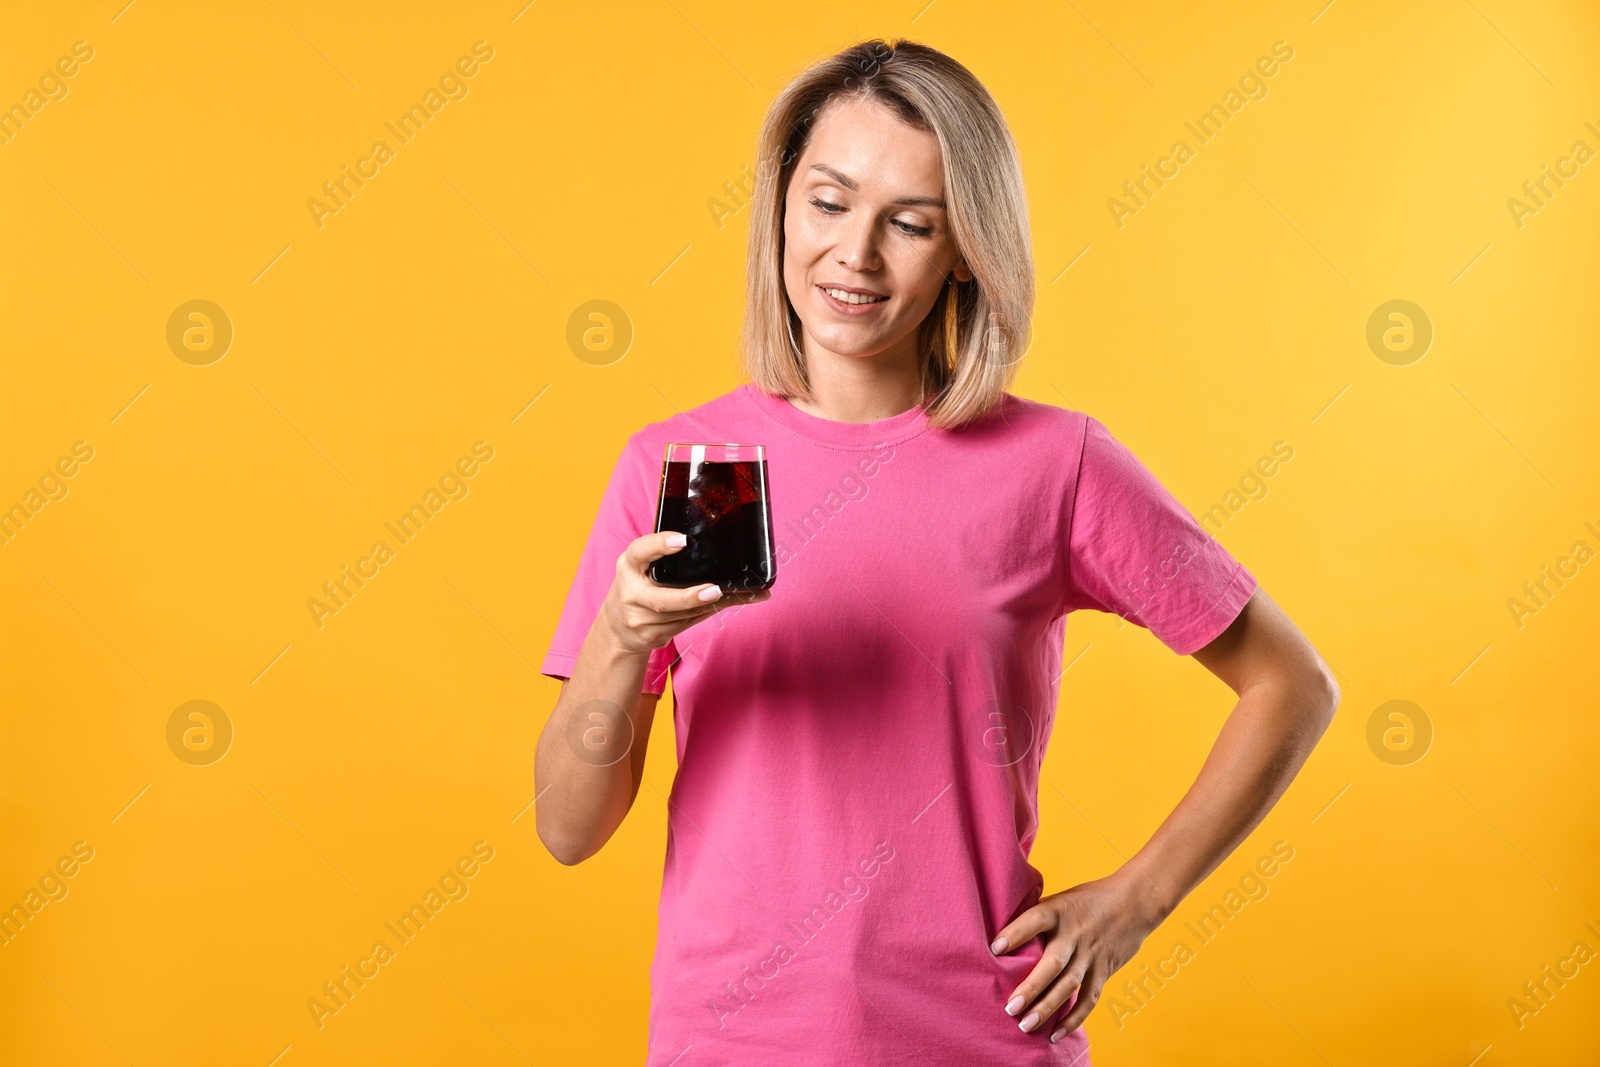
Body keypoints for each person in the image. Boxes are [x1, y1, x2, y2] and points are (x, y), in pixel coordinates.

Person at [534, 38, 1339, 1065]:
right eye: (828, 204)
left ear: (965, 247)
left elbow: (1291, 683)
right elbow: (568, 828)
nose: (855, 256)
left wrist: (1135, 900)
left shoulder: (1053, 464)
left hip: (978, 1037)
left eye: (909, 223)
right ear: (781, 204)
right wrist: (618, 636)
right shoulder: (690, 467)